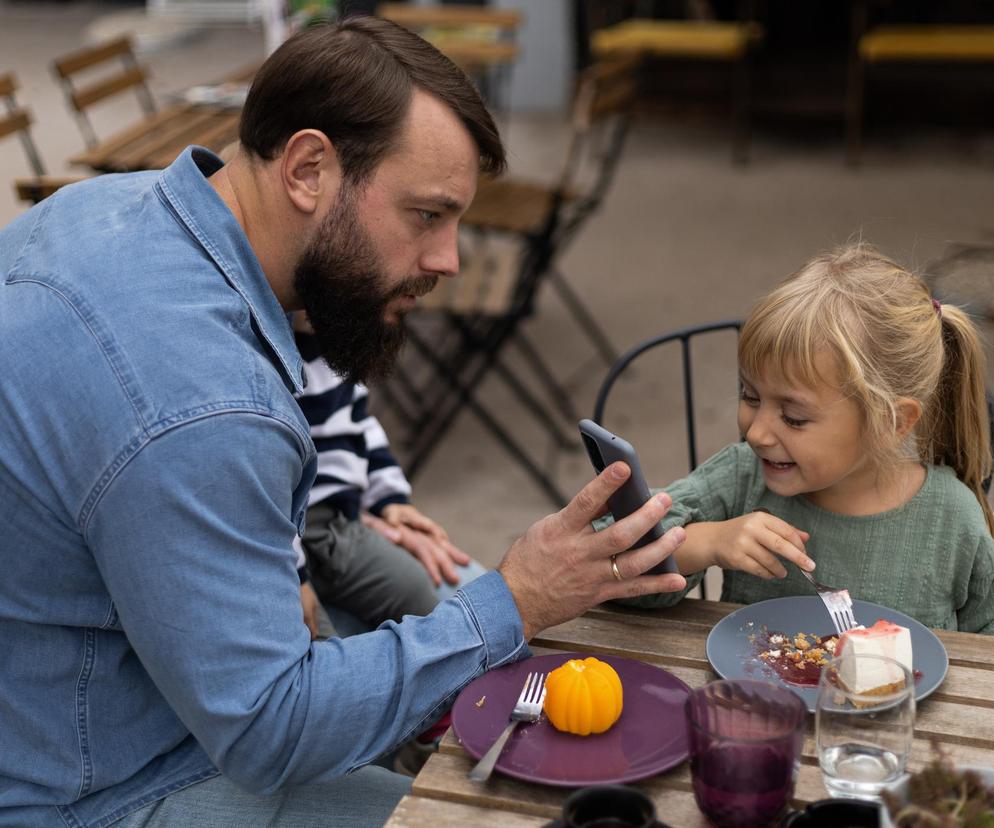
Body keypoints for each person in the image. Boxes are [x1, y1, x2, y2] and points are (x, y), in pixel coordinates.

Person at [0, 16, 687, 828]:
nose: (449, 260)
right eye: (426, 216)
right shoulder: (203, 406)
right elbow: (270, 732)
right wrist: (518, 599)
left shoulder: (103, 210)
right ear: (308, 169)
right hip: (99, 788)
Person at [616, 244, 994, 634]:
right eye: (749, 396)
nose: (757, 433)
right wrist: (706, 543)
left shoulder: (952, 521)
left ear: (891, 421)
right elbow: (613, 563)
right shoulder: (741, 478)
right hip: (751, 694)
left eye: (793, 418)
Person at [291, 318, 480, 641]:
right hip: (294, 529)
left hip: (340, 526)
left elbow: (361, 429)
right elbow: (266, 489)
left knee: (416, 590)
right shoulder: (271, 362)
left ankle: (455, 674)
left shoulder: (334, 348)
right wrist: (293, 575)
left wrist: (389, 499)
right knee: (313, 636)